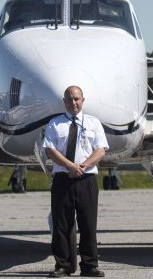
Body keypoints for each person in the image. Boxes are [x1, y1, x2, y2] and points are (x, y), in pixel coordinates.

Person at [43, 85, 109, 278]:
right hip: (63, 179)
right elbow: (51, 150)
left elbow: (101, 150)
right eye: (70, 99)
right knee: (62, 225)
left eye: (77, 99)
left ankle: (90, 266)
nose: (73, 103)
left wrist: (82, 166)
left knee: (88, 224)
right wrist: (70, 166)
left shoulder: (94, 123)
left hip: (86, 179)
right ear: (64, 102)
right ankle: (62, 266)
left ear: (82, 100)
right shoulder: (54, 124)